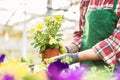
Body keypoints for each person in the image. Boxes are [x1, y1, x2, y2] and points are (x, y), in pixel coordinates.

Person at [53, 0, 120, 68]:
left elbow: (115, 43)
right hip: (86, 67)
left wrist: (74, 57)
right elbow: (81, 35)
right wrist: (66, 50)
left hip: (112, 70)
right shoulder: (86, 1)